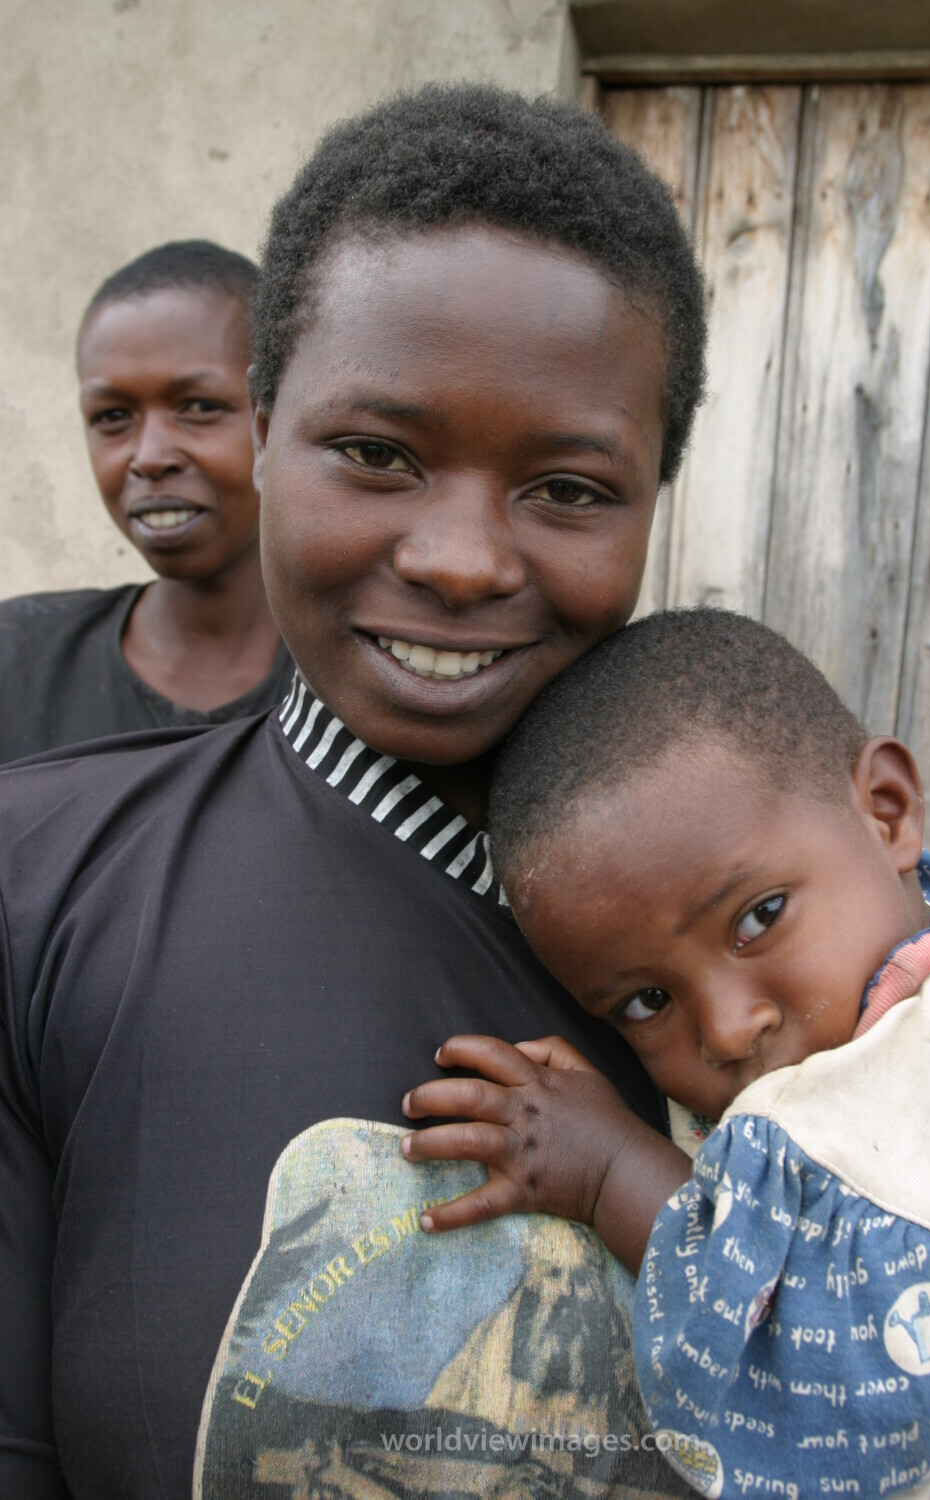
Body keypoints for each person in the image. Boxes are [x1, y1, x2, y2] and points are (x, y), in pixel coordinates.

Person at [0, 86, 710, 1500]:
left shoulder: (771, 930)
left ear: (652, 498)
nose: (457, 558)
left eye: (567, 488)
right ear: (266, 436)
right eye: (378, 455)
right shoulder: (38, 890)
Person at [401, 607, 930, 1499]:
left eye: (759, 918)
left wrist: (611, 1174)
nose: (726, 1030)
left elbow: (815, 1354)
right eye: (648, 1002)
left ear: (886, 812)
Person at [0, 240, 293, 763]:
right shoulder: (17, 660)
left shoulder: (361, 682)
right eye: (113, 417)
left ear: (273, 420)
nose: (150, 457)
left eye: (199, 407)